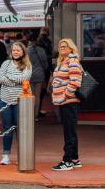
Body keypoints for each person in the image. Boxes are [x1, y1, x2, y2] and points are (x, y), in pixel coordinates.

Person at [0, 42, 32, 165]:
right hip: (5, 100)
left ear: (23, 52)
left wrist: (9, 78)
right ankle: (6, 155)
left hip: (21, 102)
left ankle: (21, 155)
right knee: (7, 128)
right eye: (14, 50)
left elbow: (24, 79)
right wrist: (16, 80)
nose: (15, 52)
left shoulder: (27, 65)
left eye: (18, 50)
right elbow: (0, 79)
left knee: (21, 129)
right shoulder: (5, 64)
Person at [51, 38, 83, 171]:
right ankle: (75, 158)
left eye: (65, 46)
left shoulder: (72, 61)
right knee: (71, 130)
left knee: (69, 131)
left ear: (71, 48)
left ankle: (67, 160)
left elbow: (75, 81)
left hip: (69, 101)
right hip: (65, 101)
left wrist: (66, 95)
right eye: (60, 46)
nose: (62, 48)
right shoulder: (63, 61)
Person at [26, 32, 49, 119]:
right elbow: (45, 64)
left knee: (30, 95)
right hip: (39, 75)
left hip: (29, 75)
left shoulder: (26, 50)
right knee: (37, 96)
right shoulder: (42, 50)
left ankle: (30, 114)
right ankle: (36, 115)